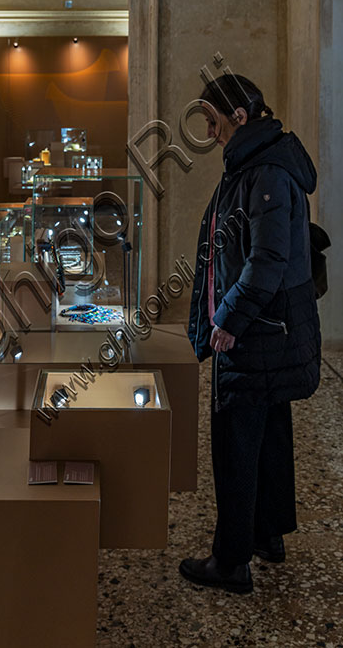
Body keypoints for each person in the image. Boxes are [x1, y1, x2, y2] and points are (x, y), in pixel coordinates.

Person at [182, 73, 321, 594]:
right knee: (268, 431)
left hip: (256, 331)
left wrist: (228, 320)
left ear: (239, 116)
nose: (211, 132)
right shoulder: (264, 160)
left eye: (214, 121)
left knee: (236, 442)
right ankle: (267, 535)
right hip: (273, 330)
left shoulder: (265, 169)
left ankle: (231, 560)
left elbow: (265, 261)